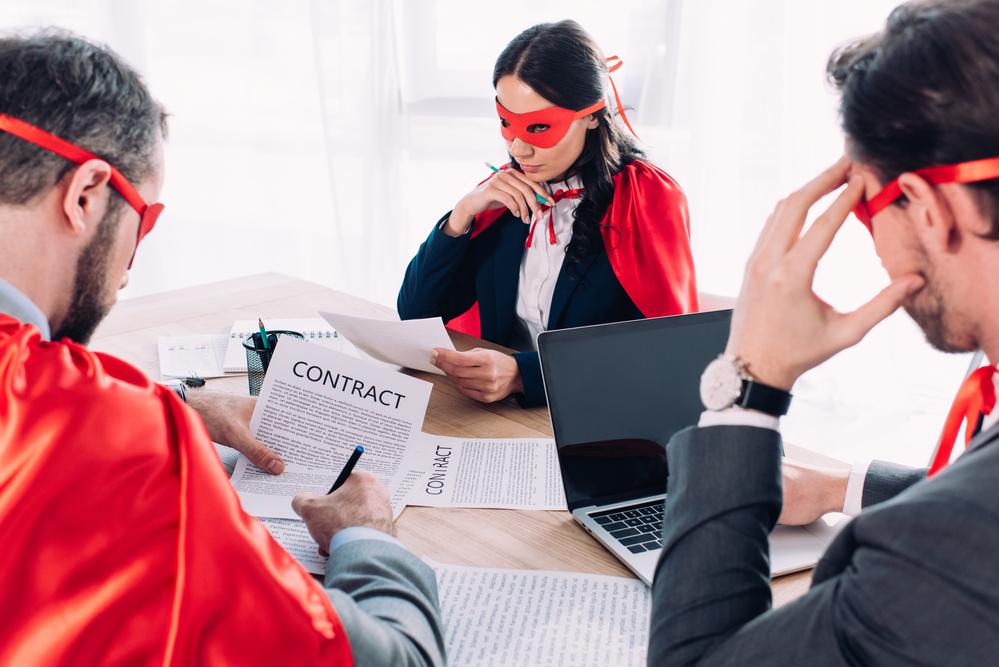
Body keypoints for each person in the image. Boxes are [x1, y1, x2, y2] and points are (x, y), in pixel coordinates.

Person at [0, 31, 444, 665]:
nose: (129, 270)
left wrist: (176, 405)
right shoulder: (116, 434)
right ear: (86, 195)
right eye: (144, 220)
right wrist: (369, 542)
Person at [648, 1, 999, 664]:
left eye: (863, 205)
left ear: (927, 208)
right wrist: (844, 486)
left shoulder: (947, 544)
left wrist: (747, 386)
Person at [398, 20, 699, 408]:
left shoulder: (646, 195)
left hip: (599, 419)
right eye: (507, 123)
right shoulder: (503, 193)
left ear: (592, 115)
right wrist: (462, 215)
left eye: (539, 127)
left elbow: (667, 351)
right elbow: (417, 313)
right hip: (498, 417)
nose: (519, 149)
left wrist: (527, 374)